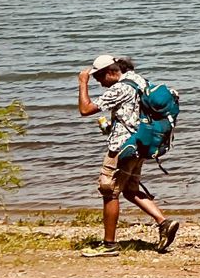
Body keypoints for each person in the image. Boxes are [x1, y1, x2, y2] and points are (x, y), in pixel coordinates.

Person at [76, 53, 179, 256]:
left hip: (121, 148)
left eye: (99, 78)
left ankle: (109, 245)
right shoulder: (138, 79)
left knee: (109, 190)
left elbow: (85, 109)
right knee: (130, 190)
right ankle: (164, 222)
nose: (100, 83)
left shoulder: (120, 88)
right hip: (140, 143)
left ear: (111, 72)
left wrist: (83, 82)